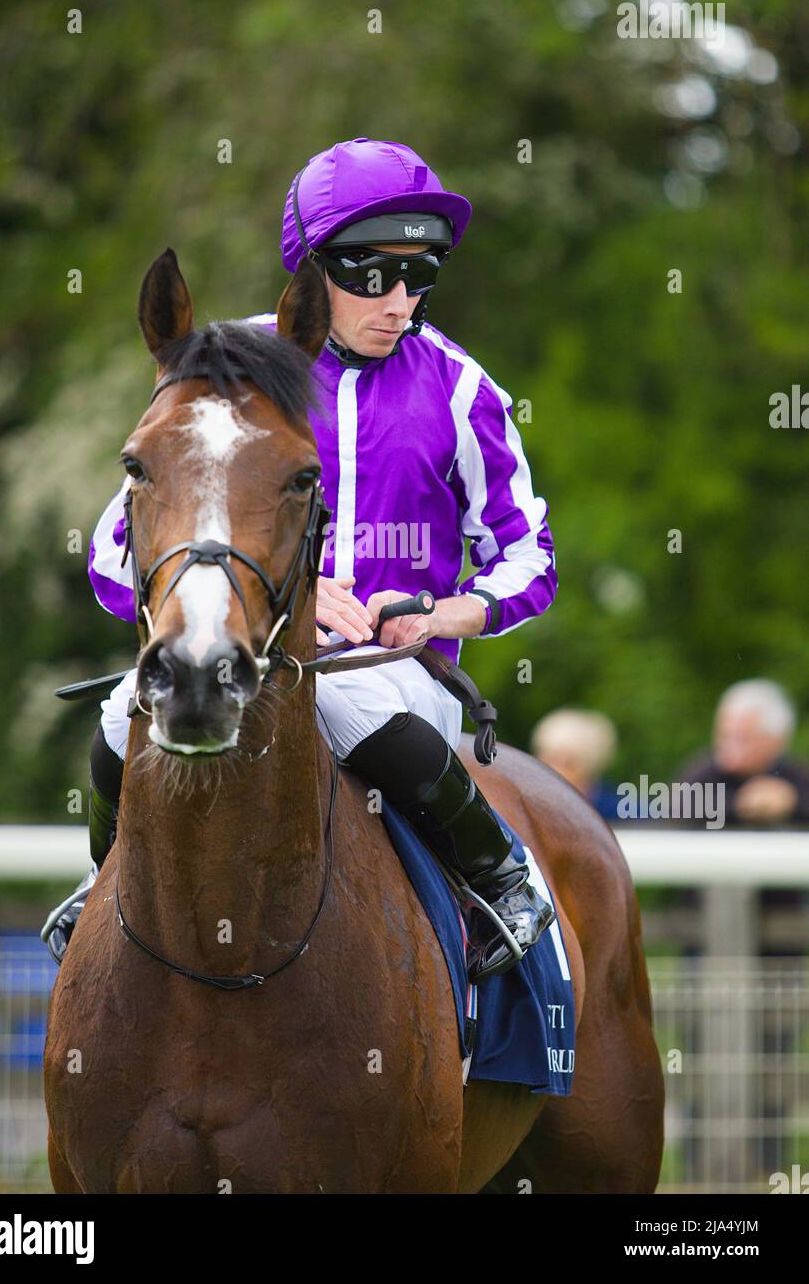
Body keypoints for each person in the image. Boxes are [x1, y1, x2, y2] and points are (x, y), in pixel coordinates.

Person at [42, 137, 558, 979]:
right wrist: (289, 592)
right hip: (245, 646)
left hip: (387, 671)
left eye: (420, 274)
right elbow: (112, 550)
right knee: (115, 717)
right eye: (371, 275)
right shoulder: (227, 367)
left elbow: (530, 559)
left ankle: (502, 877)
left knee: (350, 713)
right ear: (312, 270)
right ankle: (101, 882)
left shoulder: (464, 391)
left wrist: (436, 615)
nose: (400, 301)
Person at [677, 679, 809, 826]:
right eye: (724, 735)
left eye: (742, 739)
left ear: (776, 741)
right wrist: (741, 805)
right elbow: (677, 809)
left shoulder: (797, 776)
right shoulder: (703, 774)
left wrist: (792, 802)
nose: (728, 746)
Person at [530, 709, 621, 819]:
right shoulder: (527, 808)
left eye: (565, 763)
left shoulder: (623, 812)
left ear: (589, 767)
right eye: (544, 760)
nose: (551, 769)